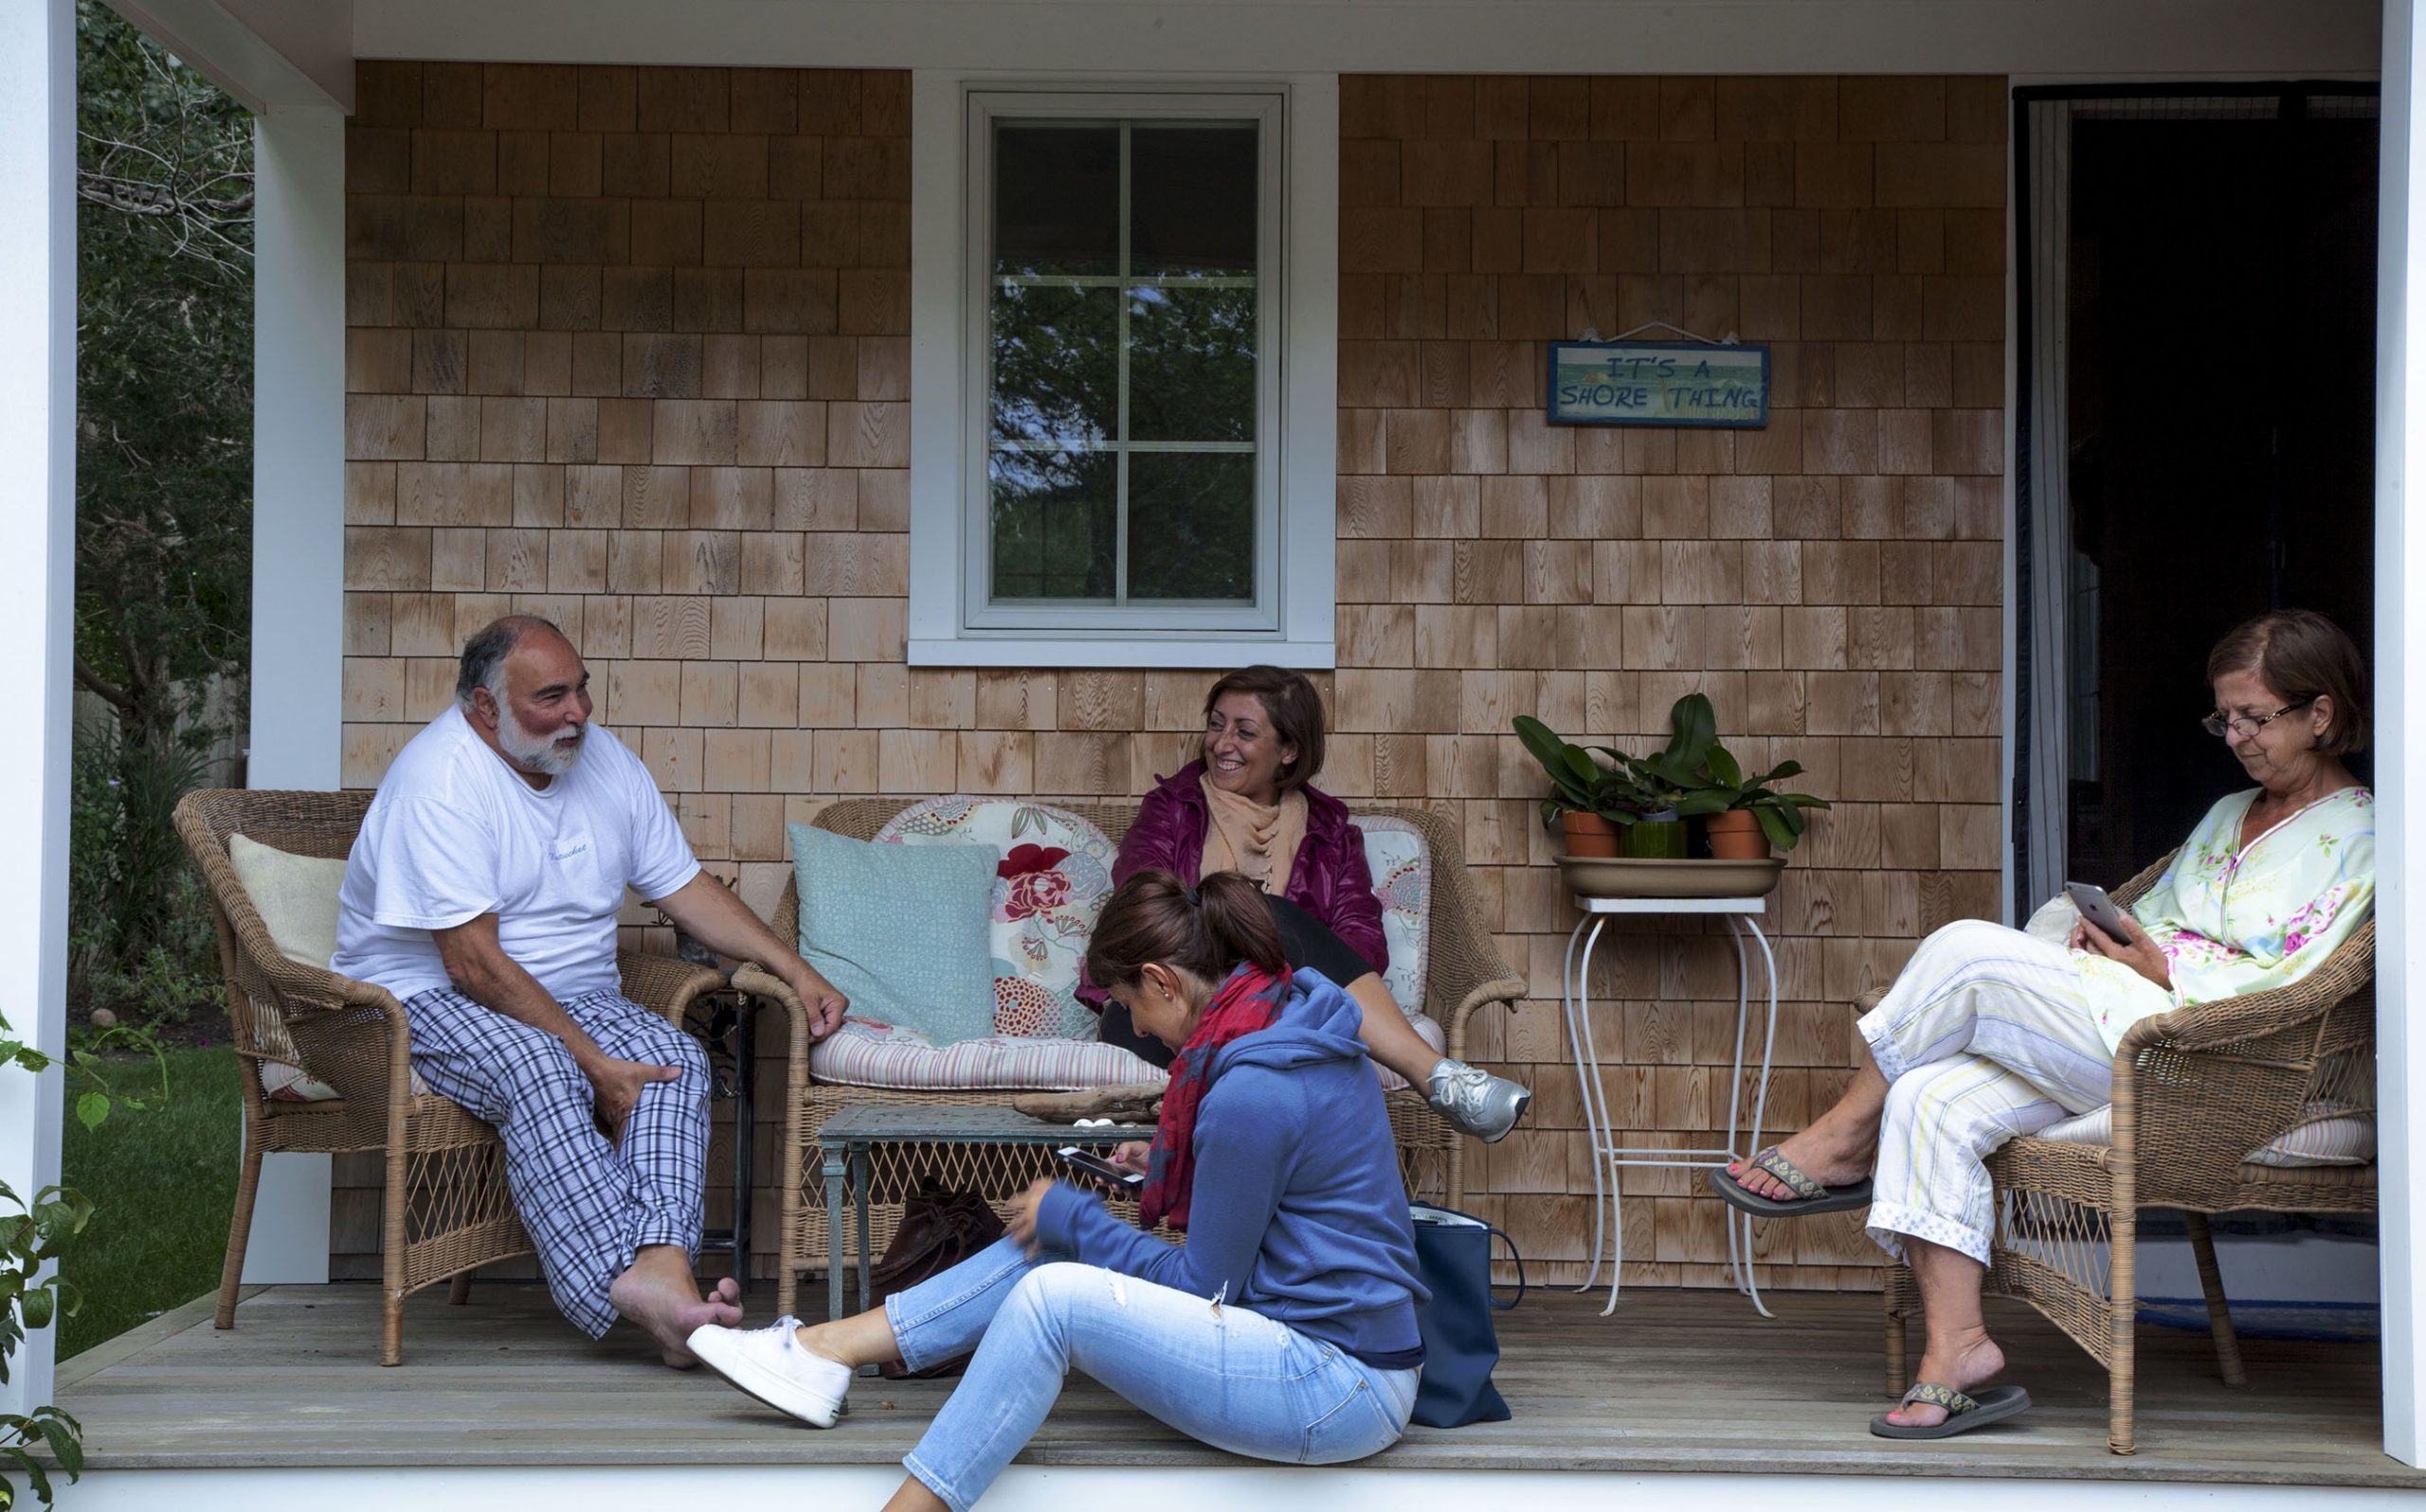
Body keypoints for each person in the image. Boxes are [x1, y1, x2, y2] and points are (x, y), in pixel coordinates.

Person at [1711, 607, 2376, 1438]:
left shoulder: (2368, 835)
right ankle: (1959, 1350)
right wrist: (2110, 938)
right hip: (2121, 1021)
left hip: (2208, 1063)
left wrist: (2163, 968)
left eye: (2256, 717)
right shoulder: (2227, 814)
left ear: (2321, 713)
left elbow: (2301, 981)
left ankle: (1843, 1136)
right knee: (1928, 1097)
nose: (2237, 736)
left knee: (1966, 951)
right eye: (2225, 717)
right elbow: (2158, 915)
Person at [686, 872, 1429, 1509]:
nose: (1136, 1027)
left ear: (1164, 983)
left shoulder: (1252, 1091)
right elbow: (1286, 1191)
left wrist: (1076, 1214)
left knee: (1054, 1296)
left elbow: (1210, 1287)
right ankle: (823, 1351)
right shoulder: (1287, 1023)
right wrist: (1167, 1171)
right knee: (1050, 1254)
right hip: (1306, 1334)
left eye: (1131, 1006)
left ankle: (913, 1501)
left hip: (1337, 1384)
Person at [330, 615, 849, 1366]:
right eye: (551, 698)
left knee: (677, 1061)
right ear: (484, 707)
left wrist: (797, 970)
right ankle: (638, 1287)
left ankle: (666, 1276)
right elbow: (474, 966)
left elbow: (687, 887)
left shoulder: (601, 760)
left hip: (572, 994)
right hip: (426, 997)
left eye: (582, 690)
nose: (578, 713)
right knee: (540, 1066)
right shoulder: (437, 784)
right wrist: (592, 1063)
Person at [1109, 663, 1530, 1142]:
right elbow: (1138, 909)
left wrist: (1270, 979)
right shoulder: (1171, 808)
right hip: (1164, 1007)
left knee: (1280, 941)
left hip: (1281, 1007)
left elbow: (1360, 943)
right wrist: (1244, 928)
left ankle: (1436, 1083)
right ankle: (1433, 1074)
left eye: (1244, 731)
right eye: (1216, 724)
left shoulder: (1330, 833)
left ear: (1289, 750)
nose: (1222, 744)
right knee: (1265, 914)